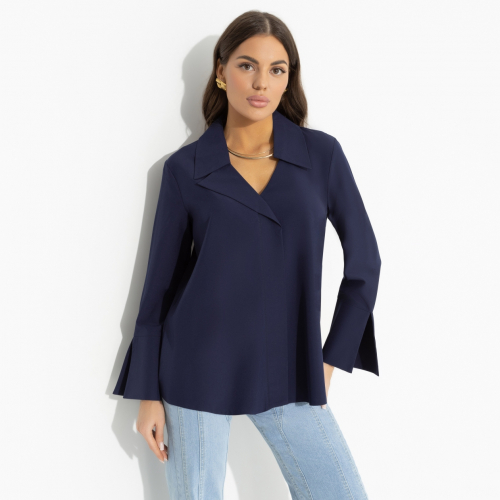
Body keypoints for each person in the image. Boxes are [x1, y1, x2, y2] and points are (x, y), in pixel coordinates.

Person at [113, 10, 381, 500]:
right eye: (246, 65)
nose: (261, 83)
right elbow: (160, 288)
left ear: (289, 79)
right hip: (196, 363)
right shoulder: (186, 169)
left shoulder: (321, 156)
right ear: (221, 71)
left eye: (277, 69)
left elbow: (365, 261)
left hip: (289, 363)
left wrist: (331, 358)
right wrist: (148, 392)